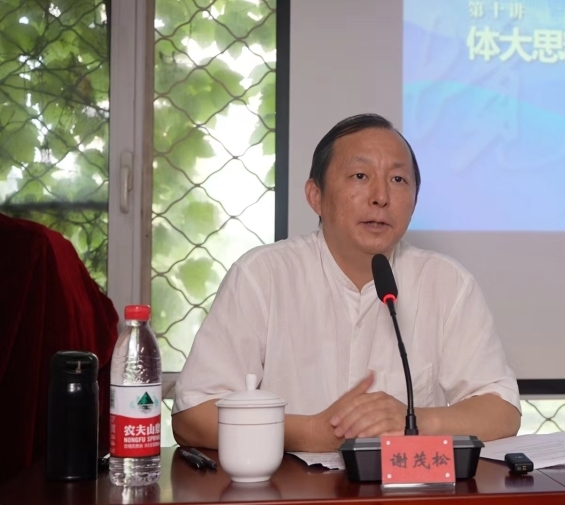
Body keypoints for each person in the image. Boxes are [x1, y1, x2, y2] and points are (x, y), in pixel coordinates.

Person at [172, 113, 521, 452]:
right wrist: (310, 432)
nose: (381, 196)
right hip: (290, 486)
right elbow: (192, 415)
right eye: (360, 175)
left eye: (398, 180)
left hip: (405, 485)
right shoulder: (263, 276)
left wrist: (413, 422)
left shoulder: (446, 283)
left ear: (415, 200)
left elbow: (502, 411)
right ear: (316, 196)